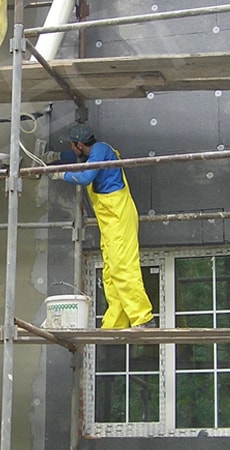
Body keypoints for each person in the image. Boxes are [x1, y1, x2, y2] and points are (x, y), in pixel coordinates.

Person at [47, 123, 155, 329]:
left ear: (79, 145)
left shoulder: (100, 150)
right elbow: (76, 159)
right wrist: (54, 157)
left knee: (123, 267)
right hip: (109, 220)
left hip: (118, 216)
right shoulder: (95, 152)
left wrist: (60, 175)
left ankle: (143, 317)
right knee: (110, 270)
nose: (72, 150)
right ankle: (117, 321)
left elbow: (86, 176)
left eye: (72, 146)